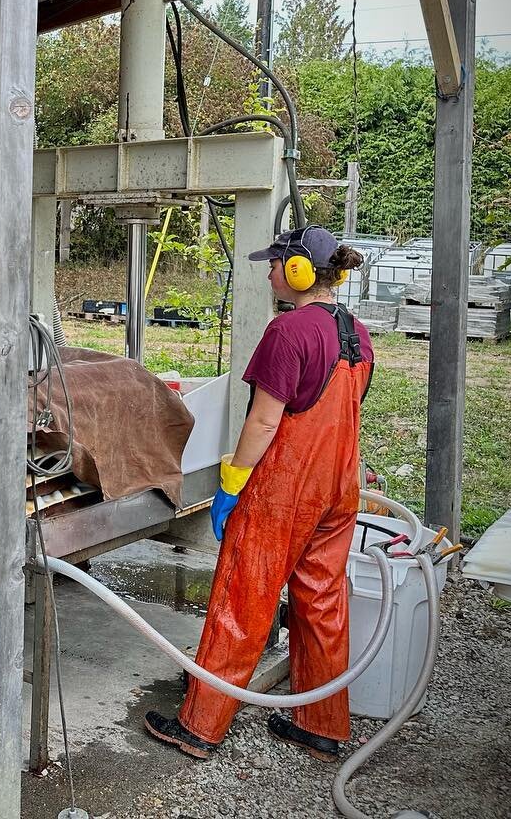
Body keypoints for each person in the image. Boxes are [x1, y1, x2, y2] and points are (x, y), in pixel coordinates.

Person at [146, 225, 371, 762]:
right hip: (338, 490)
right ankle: (323, 725)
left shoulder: (288, 332)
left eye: (274, 263)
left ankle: (199, 726)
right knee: (322, 602)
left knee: (242, 600)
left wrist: (232, 482)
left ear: (298, 271)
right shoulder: (358, 333)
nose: (268, 271)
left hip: (284, 491)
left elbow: (266, 421)